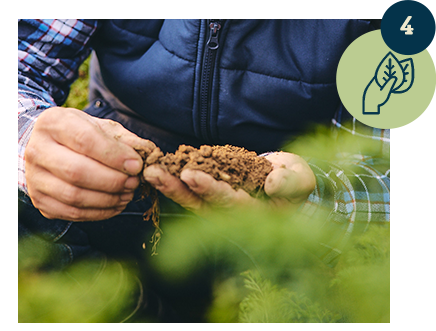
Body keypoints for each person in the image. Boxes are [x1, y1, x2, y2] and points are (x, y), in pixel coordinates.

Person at [17, 18, 389, 322]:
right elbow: (26, 62)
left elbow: (383, 168)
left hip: (272, 213)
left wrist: (320, 197)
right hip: (127, 179)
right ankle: (128, 306)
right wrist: (29, 131)